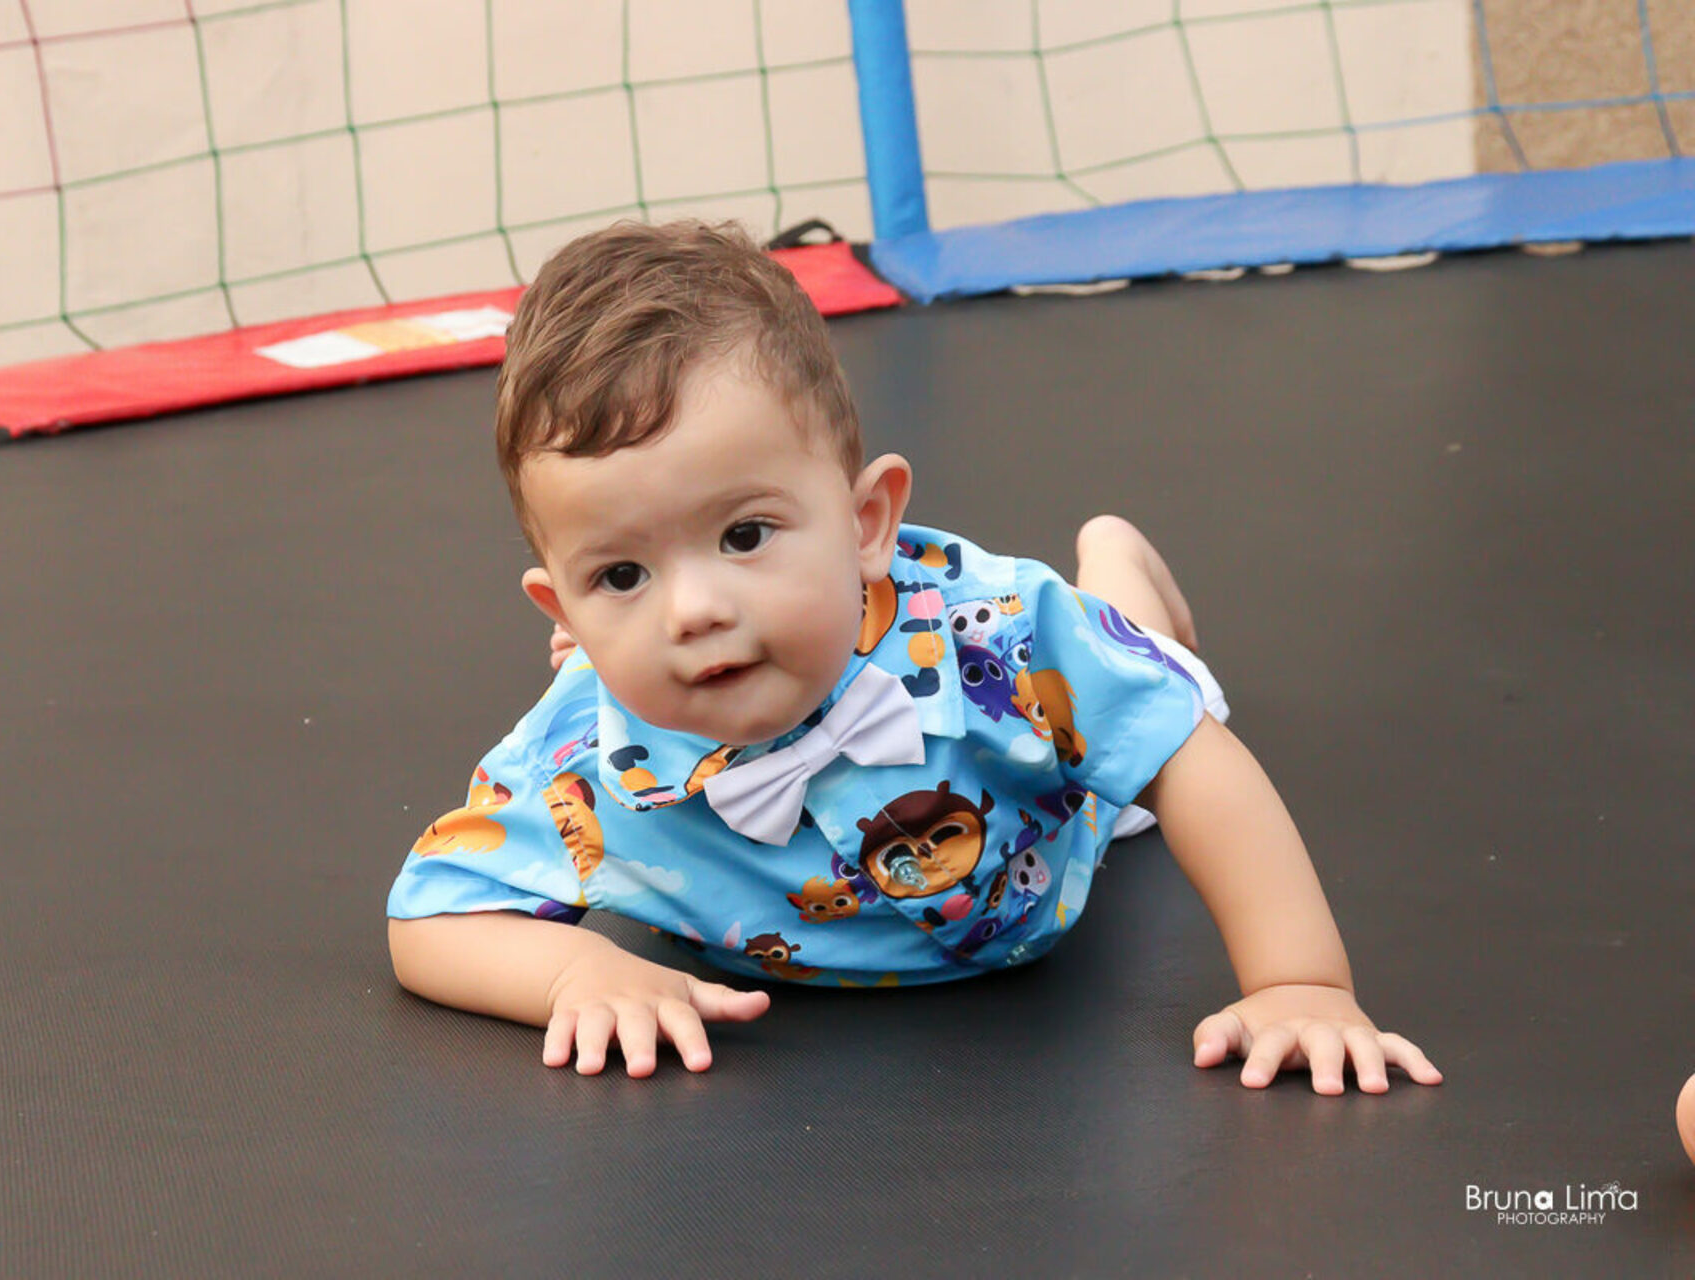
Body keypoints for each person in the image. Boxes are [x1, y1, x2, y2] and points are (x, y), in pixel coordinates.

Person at [386, 219, 1442, 1094]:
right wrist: (575, 971)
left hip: (1047, 830)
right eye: (621, 576)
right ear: (561, 608)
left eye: (745, 535)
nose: (695, 610)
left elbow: (1189, 755)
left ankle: (1115, 564)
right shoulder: (580, 756)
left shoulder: (1007, 643)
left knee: (1149, 684)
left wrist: (1301, 983)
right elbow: (429, 915)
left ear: (867, 523)